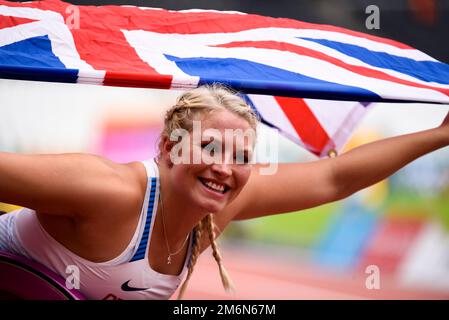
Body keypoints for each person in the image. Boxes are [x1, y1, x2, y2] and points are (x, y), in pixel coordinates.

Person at [0, 84, 448, 300]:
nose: (223, 168)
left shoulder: (223, 204)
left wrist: (440, 134)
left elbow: (335, 179)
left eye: (240, 156)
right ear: (168, 149)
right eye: (208, 147)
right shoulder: (107, 191)